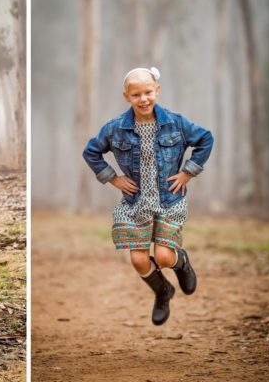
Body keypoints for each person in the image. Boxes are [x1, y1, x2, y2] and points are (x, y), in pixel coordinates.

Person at [82, 67, 213, 327]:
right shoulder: (116, 128)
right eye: (136, 95)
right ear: (126, 96)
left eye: (148, 92)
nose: (143, 99)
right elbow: (91, 152)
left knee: (164, 257)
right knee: (139, 260)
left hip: (169, 201)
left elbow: (206, 139)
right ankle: (163, 291)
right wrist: (113, 178)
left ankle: (182, 262)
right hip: (135, 204)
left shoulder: (175, 123)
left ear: (157, 91)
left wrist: (188, 172)